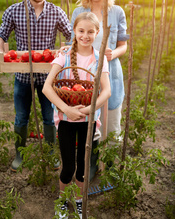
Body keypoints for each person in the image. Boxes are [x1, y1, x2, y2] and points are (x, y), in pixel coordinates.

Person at [0, 0, 71, 171]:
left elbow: (71, 35)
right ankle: (19, 154)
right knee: (21, 117)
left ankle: (50, 154)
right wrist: (0, 52)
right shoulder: (14, 11)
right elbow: (1, 35)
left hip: (48, 78)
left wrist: (66, 49)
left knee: (49, 116)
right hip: (22, 76)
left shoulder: (56, 12)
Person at [42, 12, 111, 218]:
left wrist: (90, 109)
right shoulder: (63, 56)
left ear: (97, 33)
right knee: (68, 165)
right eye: (81, 31)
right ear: (74, 31)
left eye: (91, 32)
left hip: (88, 121)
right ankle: (63, 200)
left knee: (83, 164)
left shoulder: (99, 59)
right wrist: (67, 109)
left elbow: (106, 91)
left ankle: (79, 200)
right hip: (66, 120)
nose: (85, 35)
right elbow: (47, 87)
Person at [70, 0, 129, 180]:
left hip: (111, 73)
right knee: (90, 126)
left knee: (112, 125)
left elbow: (124, 44)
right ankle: (92, 163)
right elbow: (72, 43)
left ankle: (111, 163)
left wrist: (115, 53)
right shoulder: (79, 12)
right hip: (84, 76)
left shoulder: (117, 12)